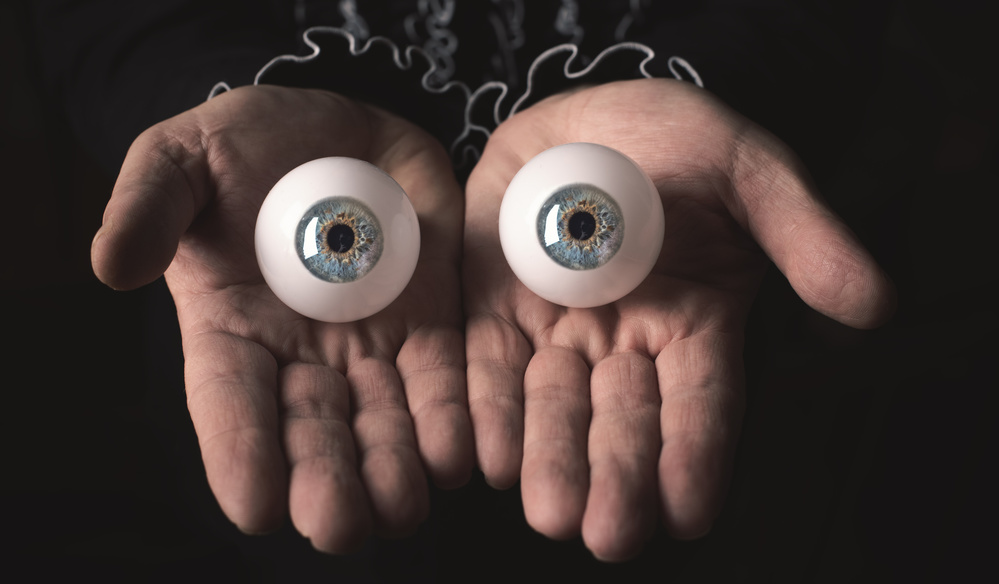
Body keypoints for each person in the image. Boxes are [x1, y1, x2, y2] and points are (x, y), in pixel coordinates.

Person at [32, 0, 896, 562]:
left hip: (659, 329)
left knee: (653, 522)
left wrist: (710, 101)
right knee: (299, 524)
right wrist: (208, 107)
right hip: (283, 340)